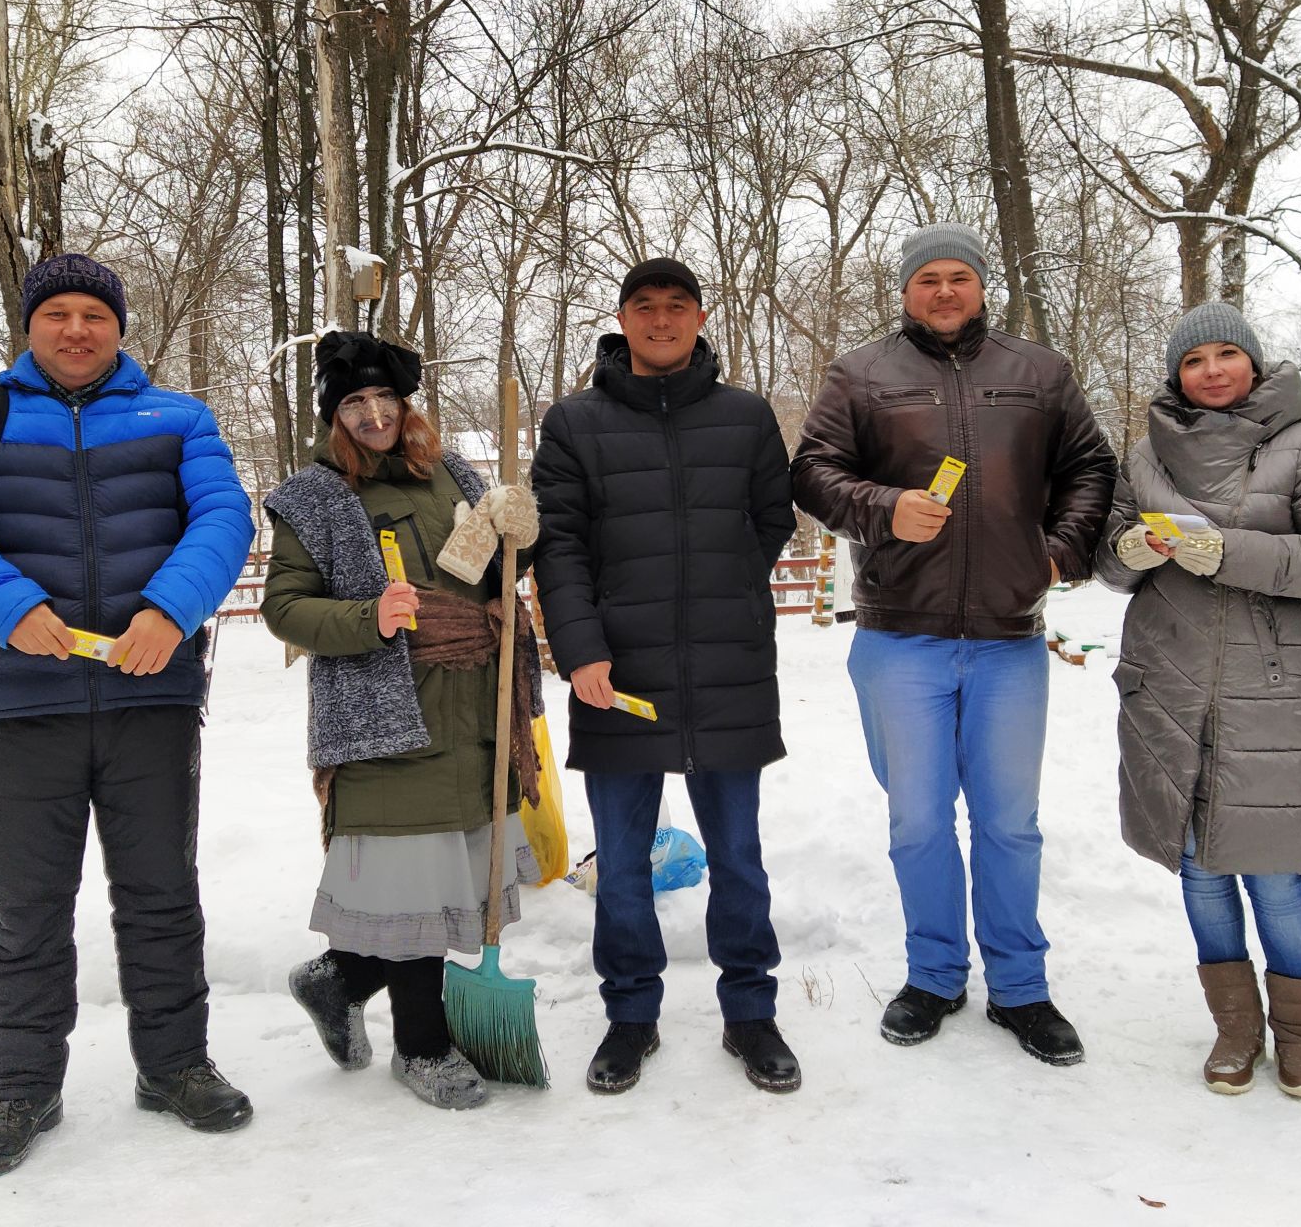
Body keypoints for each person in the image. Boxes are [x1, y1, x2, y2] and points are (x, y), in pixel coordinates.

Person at [0, 253, 256, 1181]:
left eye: (94, 313)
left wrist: (168, 612)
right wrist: (7, 605)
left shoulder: (180, 419)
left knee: (162, 896)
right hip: (18, 704)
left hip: (151, 697)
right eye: (55, 312)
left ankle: (174, 1067)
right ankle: (21, 1089)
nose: (76, 329)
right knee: (23, 910)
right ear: (29, 325)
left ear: (120, 328)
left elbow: (221, 520)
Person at [792, 224, 1115, 1065]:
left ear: (981, 287)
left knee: (1011, 825)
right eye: (927, 278)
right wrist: (883, 507)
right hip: (901, 636)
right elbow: (814, 471)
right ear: (904, 290)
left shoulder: (1039, 373)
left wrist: (1059, 551)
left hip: (1009, 640)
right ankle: (934, 975)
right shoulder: (861, 374)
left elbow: (1090, 467)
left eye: (959, 277)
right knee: (919, 822)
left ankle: (1021, 988)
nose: (943, 291)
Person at [531, 257, 801, 1096]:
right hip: (619, 673)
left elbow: (771, 521)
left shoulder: (747, 417)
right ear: (622, 318)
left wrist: (722, 594)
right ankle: (630, 1015)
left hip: (729, 669)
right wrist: (582, 645)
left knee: (740, 856)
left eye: (675, 306)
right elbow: (559, 544)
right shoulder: (574, 424)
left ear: (699, 315)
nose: (659, 320)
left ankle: (751, 1011)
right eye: (643, 307)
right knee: (621, 861)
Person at [1093, 302, 1301, 1099]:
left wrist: (1228, 552)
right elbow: (1109, 564)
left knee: (1275, 873)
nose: (1211, 371)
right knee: (1197, 868)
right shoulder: (1147, 455)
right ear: (1176, 375)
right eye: (1193, 361)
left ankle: (1300, 1038)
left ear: (1254, 362)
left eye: (1226, 354)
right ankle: (1234, 1029)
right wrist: (1130, 549)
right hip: (1167, 683)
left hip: (1270, 690)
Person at [261, 331, 544, 1111]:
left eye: (387, 398)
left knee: (445, 879)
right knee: (415, 890)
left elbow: (491, 571)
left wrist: (524, 531)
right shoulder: (312, 499)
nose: (376, 414)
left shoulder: (450, 473)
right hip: (387, 710)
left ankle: (341, 978)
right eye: (355, 402)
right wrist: (368, 615)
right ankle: (421, 1047)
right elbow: (283, 607)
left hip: (475, 703)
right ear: (334, 415)